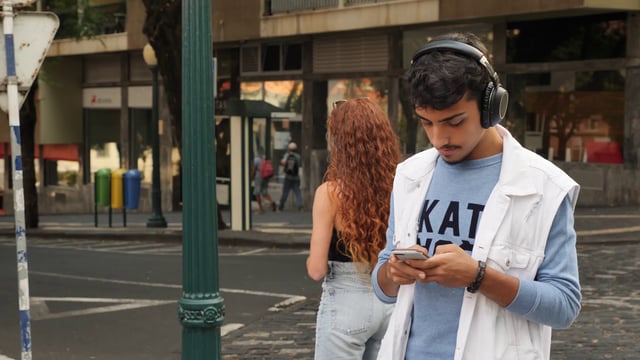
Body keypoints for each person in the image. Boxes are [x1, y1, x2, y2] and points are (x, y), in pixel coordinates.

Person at [372, 32, 581, 359]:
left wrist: (478, 277)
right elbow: (383, 284)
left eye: (454, 121)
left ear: (491, 106)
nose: (440, 137)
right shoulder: (410, 175)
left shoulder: (545, 188)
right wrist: (393, 273)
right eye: (427, 122)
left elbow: (564, 307)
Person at [307, 98, 401, 359]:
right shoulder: (400, 186)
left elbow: (316, 269)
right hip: (391, 298)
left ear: (340, 142)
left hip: (346, 303)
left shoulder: (330, 193)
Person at [277, 142, 304, 211]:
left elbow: (283, 162)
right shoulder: (298, 156)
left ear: (289, 148)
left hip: (288, 177)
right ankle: (300, 206)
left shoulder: (287, 155)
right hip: (296, 177)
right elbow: (298, 164)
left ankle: (281, 206)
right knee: (297, 192)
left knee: (285, 192)